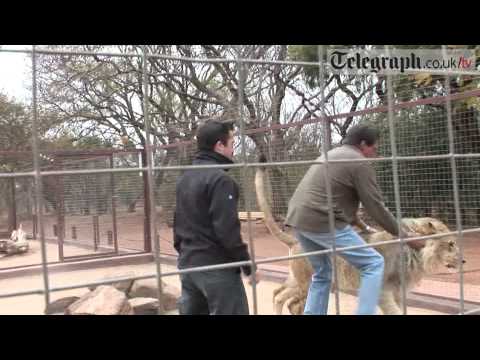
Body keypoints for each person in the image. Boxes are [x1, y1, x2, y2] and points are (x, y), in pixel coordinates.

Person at [285, 124, 424, 315]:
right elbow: (375, 205)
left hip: (297, 220)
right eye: (374, 148)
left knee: (322, 273)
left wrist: (362, 225)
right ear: (363, 144)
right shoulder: (359, 162)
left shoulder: (331, 155)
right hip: (323, 222)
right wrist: (405, 235)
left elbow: (332, 198)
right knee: (373, 263)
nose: (375, 154)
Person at [173, 120, 257, 315]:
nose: (233, 151)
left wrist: (185, 253)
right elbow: (227, 230)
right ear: (219, 145)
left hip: (188, 265)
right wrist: (246, 264)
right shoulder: (221, 179)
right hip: (217, 268)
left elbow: (178, 223)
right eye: (232, 144)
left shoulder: (185, 177)